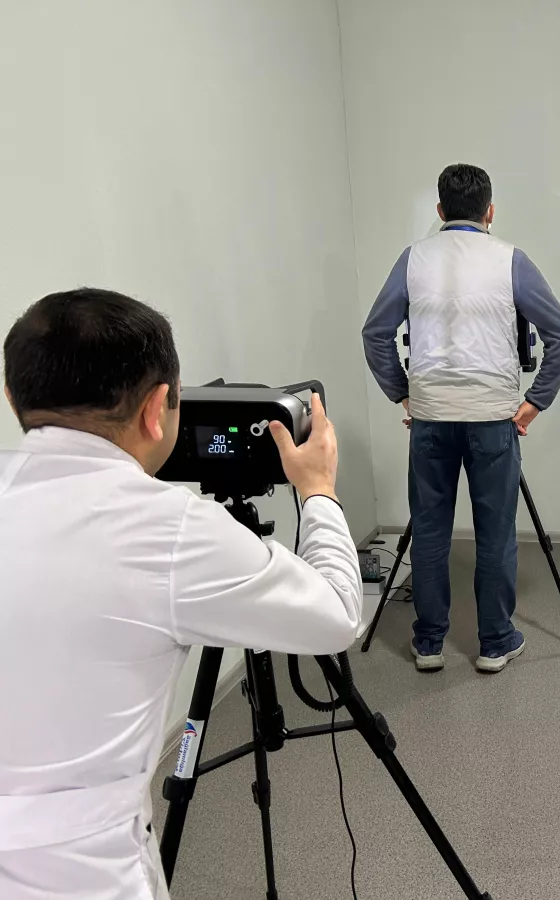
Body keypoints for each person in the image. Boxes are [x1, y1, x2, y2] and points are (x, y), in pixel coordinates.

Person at [0, 289, 363, 900]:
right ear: (156, 409)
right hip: (85, 872)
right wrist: (318, 489)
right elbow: (337, 615)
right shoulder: (170, 528)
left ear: (13, 398)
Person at [362, 163, 560, 674]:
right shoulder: (511, 260)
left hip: (430, 419)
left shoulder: (412, 259)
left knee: (430, 532)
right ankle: (496, 642)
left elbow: (375, 334)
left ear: (440, 210)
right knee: (495, 534)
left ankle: (429, 643)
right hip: (492, 419)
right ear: (490, 211)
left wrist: (403, 394)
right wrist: (534, 402)